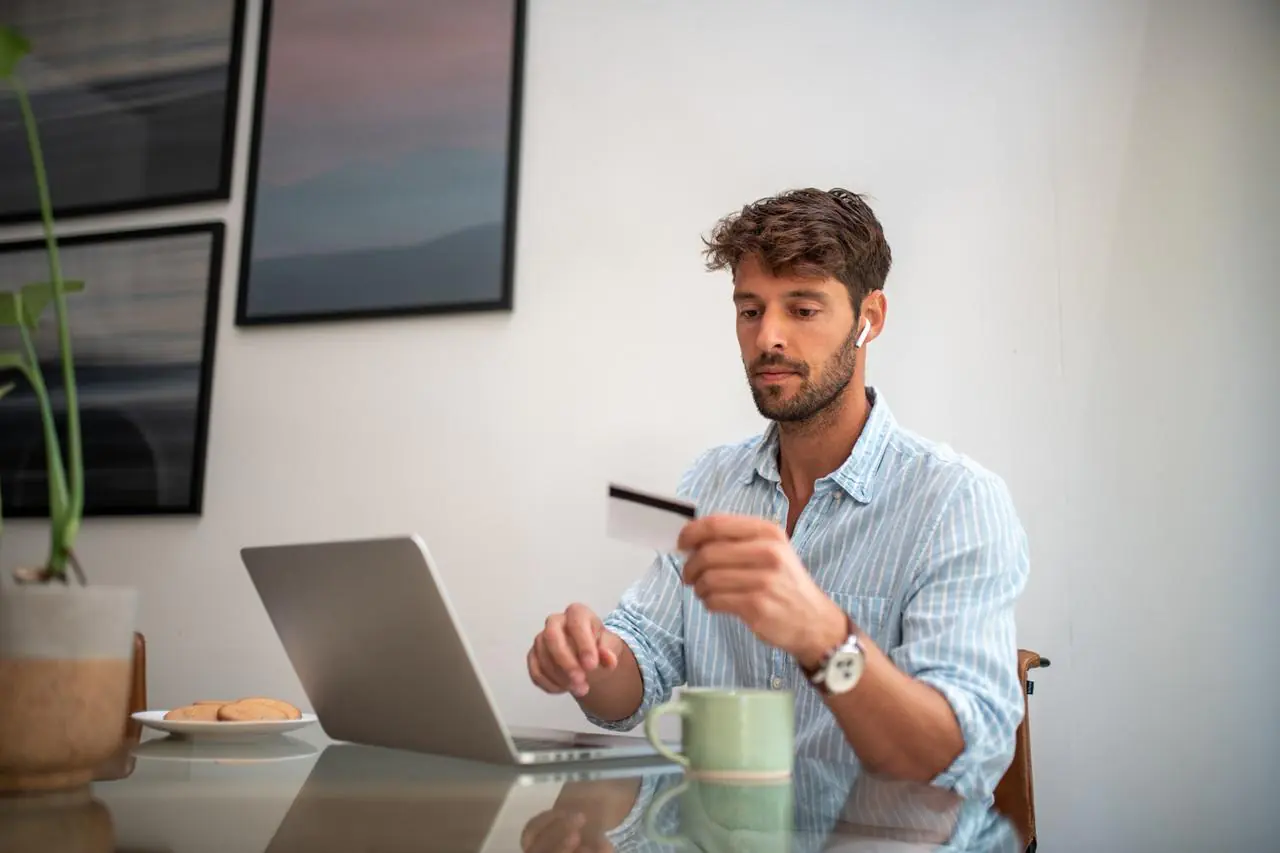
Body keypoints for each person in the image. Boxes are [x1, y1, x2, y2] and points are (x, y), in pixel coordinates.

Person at [526, 187, 1030, 802]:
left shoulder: (955, 503)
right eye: (750, 310)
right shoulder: (711, 483)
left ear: (869, 318)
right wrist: (588, 660)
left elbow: (958, 759)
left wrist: (824, 637)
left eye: (803, 309)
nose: (768, 337)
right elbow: (641, 668)